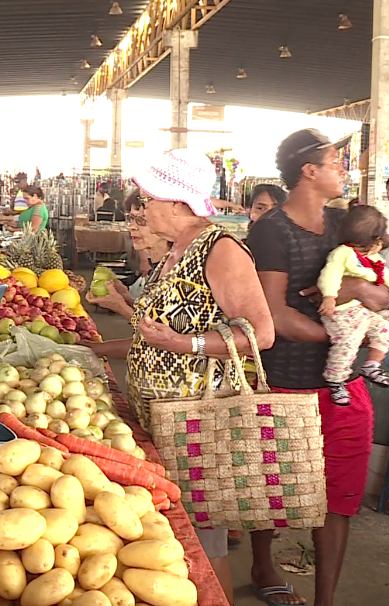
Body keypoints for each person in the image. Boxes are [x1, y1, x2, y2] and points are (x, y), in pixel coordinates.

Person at [84, 149, 275, 602]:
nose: (143, 210)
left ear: (176, 202)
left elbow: (261, 332)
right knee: (176, 543)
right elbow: (156, 334)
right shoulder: (176, 250)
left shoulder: (221, 248)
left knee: (204, 542)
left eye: (149, 200)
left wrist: (183, 345)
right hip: (162, 418)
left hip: (198, 422)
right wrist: (94, 349)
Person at [247, 128, 389, 606]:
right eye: (336, 162)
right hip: (286, 381)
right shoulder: (272, 229)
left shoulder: (344, 224)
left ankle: (326, 599)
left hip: (343, 386)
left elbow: (382, 291)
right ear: (309, 171)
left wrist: (355, 294)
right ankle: (263, 564)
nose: (344, 171)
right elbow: (274, 315)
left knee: (341, 495)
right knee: (274, 487)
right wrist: (344, 332)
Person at [317, 206, 389, 404]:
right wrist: (329, 296)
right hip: (341, 311)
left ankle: (371, 364)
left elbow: (387, 276)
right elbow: (331, 274)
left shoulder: (372, 258)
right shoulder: (343, 253)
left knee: (384, 330)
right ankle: (336, 380)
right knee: (347, 341)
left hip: (360, 310)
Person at [86, 189, 171, 312]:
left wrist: (121, 306)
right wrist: (126, 297)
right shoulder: (158, 266)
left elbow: (155, 328)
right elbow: (149, 313)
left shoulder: (173, 271)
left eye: (141, 220)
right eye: (130, 218)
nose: (131, 226)